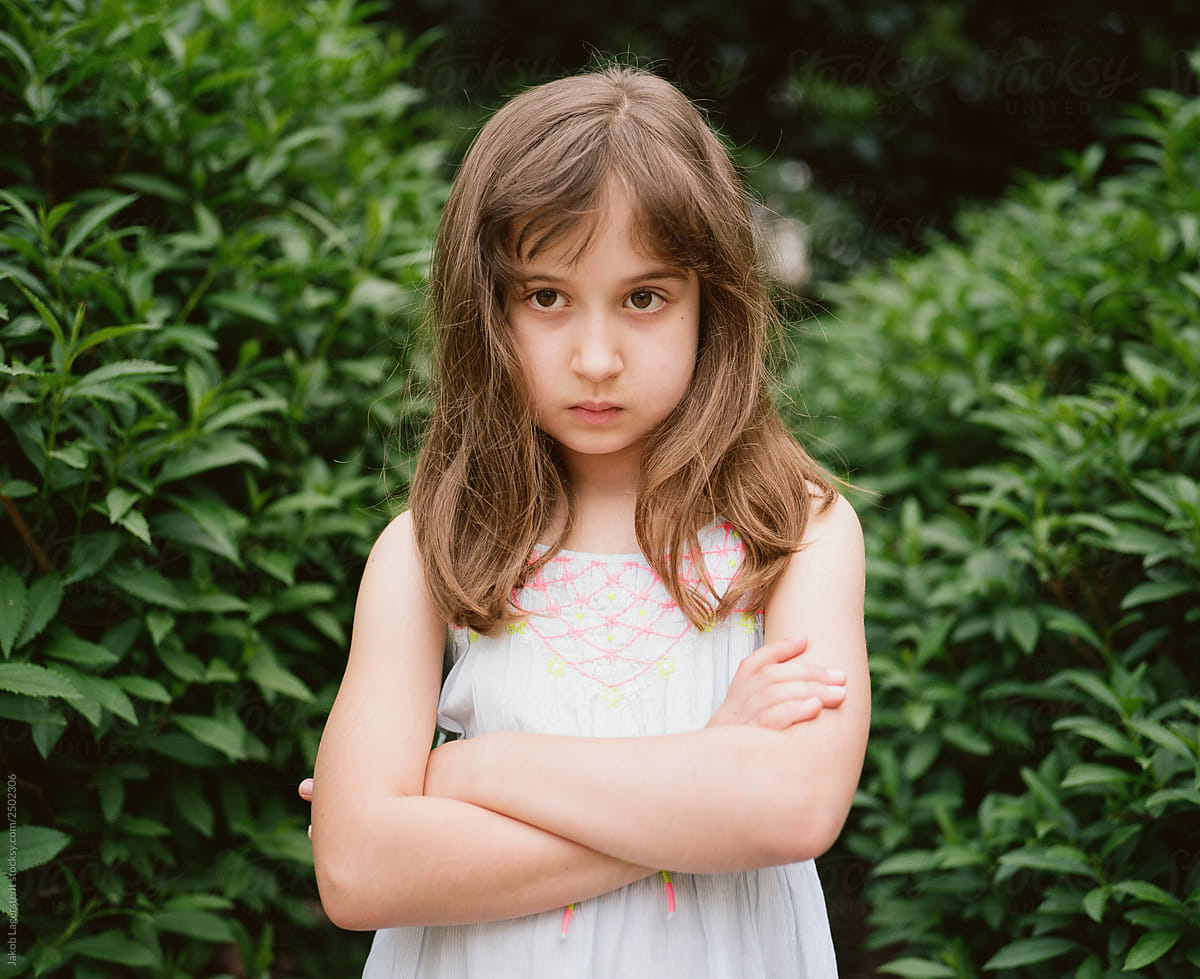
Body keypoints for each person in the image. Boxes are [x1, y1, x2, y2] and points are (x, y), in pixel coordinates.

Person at [300, 64, 869, 978]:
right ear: (484, 307)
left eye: (644, 298)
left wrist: (477, 772)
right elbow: (360, 868)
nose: (595, 358)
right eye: (546, 297)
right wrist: (706, 776)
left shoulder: (793, 534)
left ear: (711, 305)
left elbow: (789, 810)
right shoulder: (427, 552)